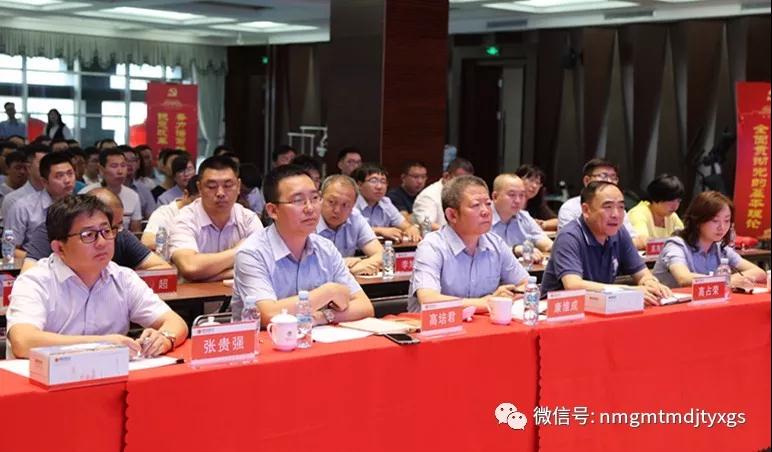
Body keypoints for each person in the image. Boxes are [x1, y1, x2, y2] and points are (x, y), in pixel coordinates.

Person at [6, 194, 187, 359]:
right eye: (88, 235)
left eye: (106, 232)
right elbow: (23, 341)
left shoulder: (124, 278)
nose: (102, 243)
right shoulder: (35, 281)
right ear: (59, 248)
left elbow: (175, 322)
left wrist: (164, 338)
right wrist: (102, 344)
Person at [232, 164, 374, 326]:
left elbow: (365, 306)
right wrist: (328, 292)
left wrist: (321, 317)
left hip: (315, 338)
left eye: (315, 198)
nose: (310, 208)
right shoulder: (252, 253)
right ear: (273, 211)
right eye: (298, 200)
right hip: (266, 339)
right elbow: (267, 314)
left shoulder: (325, 248)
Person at [409, 175, 529, 313]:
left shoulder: (496, 244)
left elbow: (526, 284)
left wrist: (508, 296)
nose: (486, 212)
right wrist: (485, 303)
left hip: (481, 324)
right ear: (452, 215)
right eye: (476, 205)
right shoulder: (431, 246)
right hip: (436, 325)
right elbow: (428, 299)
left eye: (488, 204)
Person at [541, 181, 672, 304]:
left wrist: (650, 282)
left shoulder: (619, 232)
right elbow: (573, 285)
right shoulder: (569, 236)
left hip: (599, 305)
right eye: (608, 207)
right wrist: (628, 290)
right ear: (586, 210)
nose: (616, 214)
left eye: (621, 207)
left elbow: (642, 273)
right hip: (558, 310)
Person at [22, 188, 170, 272]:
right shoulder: (52, 230)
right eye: (90, 234)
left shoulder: (119, 234)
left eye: (114, 227)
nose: (109, 236)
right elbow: (29, 275)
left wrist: (123, 284)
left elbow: (162, 268)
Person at [169, 156, 263, 281]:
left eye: (228, 185)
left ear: (238, 186)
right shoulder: (184, 219)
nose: (220, 193)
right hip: (193, 293)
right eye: (212, 186)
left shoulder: (248, 219)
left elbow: (262, 267)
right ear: (199, 188)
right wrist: (239, 251)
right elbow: (190, 267)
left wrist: (206, 276)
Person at [652, 191, 766, 289]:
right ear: (698, 220)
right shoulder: (676, 245)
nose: (722, 227)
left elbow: (760, 273)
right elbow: (684, 278)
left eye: (727, 221)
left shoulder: (720, 248)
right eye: (715, 221)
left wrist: (731, 279)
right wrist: (726, 281)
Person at [556, 158, 644, 248]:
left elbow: (633, 240)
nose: (609, 181)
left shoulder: (617, 209)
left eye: (613, 177)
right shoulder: (570, 208)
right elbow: (568, 244)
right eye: (603, 176)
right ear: (587, 181)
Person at [5, 152, 75, 250]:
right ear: (44, 182)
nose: (67, 180)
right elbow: (9, 248)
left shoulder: (82, 206)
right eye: (59, 176)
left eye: (70, 173)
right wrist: (35, 257)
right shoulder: (22, 207)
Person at [317, 175, 384, 276]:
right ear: (319, 198)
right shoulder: (308, 220)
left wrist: (363, 263)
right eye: (331, 202)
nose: (337, 210)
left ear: (353, 205)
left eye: (345, 205)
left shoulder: (355, 217)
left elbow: (382, 255)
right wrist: (347, 269)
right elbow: (308, 268)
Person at [490, 174, 552, 262]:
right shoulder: (481, 218)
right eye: (512, 195)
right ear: (495, 197)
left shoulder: (524, 217)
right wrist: (515, 250)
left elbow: (544, 242)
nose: (518, 201)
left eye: (522, 195)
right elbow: (483, 253)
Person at [352, 163, 422, 242]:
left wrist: (411, 229)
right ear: (359, 185)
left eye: (383, 181)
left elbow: (405, 225)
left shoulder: (385, 202)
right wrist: (380, 231)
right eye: (373, 181)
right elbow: (352, 230)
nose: (379, 187)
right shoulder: (351, 203)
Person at [79, 148, 142, 232]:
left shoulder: (133, 196)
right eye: (114, 166)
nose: (120, 171)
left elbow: (136, 231)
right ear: (101, 169)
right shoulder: (86, 194)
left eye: (123, 165)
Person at [412, 157, 474, 230]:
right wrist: (456, 232)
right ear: (446, 176)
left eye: (468, 181)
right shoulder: (428, 196)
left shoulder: (464, 195)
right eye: (460, 181)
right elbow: (427, 225)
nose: (465, 185)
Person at [142, 176, 200, 250]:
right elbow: (148, 242)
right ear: (186, 194)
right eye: (198, 202)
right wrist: (180, 242)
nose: (201, 207)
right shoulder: (165, 213)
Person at [628, 174, 685, 242]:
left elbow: (685, 239)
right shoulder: (638, 213)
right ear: (656, 198)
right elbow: (641, 241)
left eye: (678, 201)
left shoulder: (672, 216)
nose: (675, 206)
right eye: (671, 200)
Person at [1, 144, 49, 220]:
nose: (47, 167)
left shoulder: (57, 194)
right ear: (29, 168)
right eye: (42, 163)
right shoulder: (13, 200)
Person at [515, 164, 558, 231]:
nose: (534, 186)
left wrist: (543, 224)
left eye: (538, 183)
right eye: (531, 180)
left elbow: (557, 221)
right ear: (518, 179)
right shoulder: (508, 200)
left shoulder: (536, 202)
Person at [121, 145, 157, 218]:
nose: (130, 164)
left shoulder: (143, 188)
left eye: (133, 160)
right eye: (125, 160)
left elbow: (152, 216)